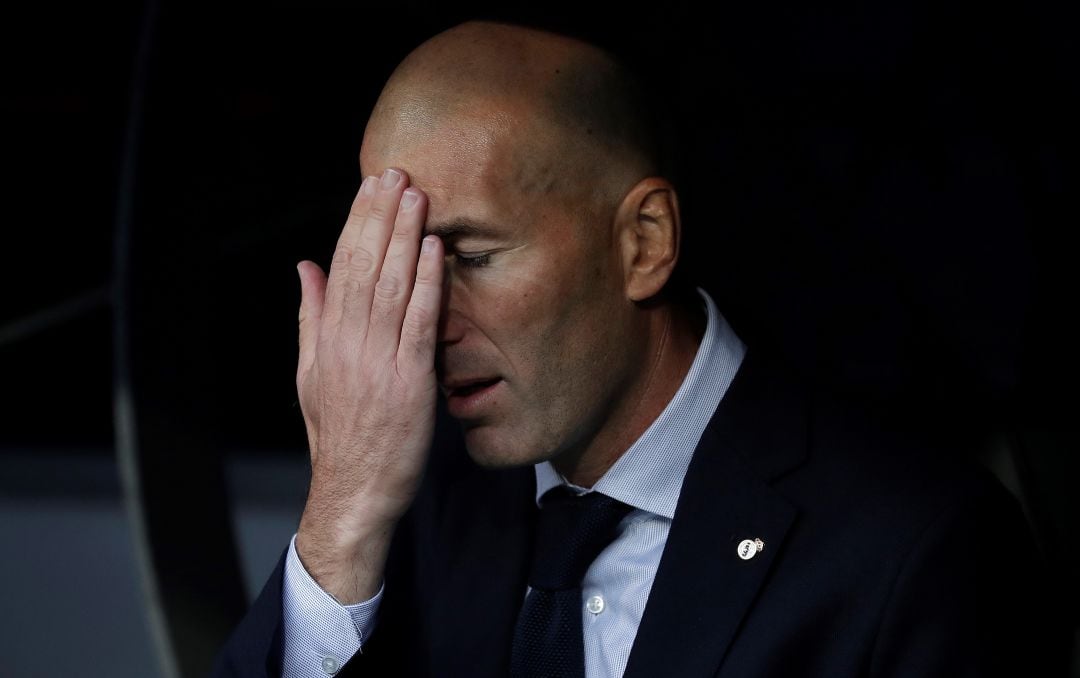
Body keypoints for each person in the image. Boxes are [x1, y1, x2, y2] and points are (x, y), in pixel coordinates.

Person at [214, 20, 1059, 678]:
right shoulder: (412, 507)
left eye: (470, 257)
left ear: (644, 242)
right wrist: (342, 520)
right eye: (402, 265)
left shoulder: (913, 545)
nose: (424, 317)